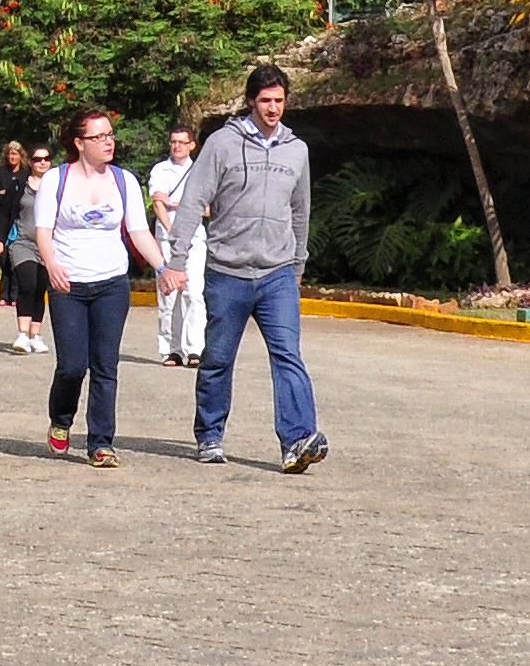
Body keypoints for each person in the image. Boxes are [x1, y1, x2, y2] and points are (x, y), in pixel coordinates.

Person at [161, 61, 323, 471]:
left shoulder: (296, 149)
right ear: (251, 101)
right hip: (228, 272)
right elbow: (195, 200)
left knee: (288, 355)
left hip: (277, 272)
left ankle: (298, 440)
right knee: (218, 358)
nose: (273, 109)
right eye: (266, 100)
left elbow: (301, 209)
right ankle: (210, 435)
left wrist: (298, 261)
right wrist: (176, 261)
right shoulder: (221, 143)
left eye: (280, 101)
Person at [32, 107, 164, 466]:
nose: (108, 142)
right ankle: (61, 420)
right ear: (79, 143)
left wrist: (162, 267)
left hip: (111, 283)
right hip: (68, 284)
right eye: (98, 137)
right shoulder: (56, 180)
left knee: (106, 365)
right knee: (73, 366)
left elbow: (138, 231)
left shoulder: (124, 181)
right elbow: (42, 230)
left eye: (110, 135)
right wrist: (53, 265)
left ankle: (101, 443)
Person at [146, 124, 205, 365]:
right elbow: (158, 202)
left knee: (194, 292)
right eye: (173, 142)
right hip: (167, 238)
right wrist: (173, 231)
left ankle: (195, 349)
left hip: (195, 237)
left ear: (192, 145)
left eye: (182, 142)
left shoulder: (200, 171)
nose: (177, 146)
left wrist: (177, 204)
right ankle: (171, 349)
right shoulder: (161, 170)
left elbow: (208, 207)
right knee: (168, 293)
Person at [2, 143, 56, 355]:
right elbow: (5, 213)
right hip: (23, 242)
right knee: (27, 283)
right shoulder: (20, 184)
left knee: (40, 288)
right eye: (37, 159)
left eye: (46, 158)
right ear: (30, 162)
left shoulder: (57, 185)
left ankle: (36, 335)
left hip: (48, 245)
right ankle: (23, 334)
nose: (42, 162)